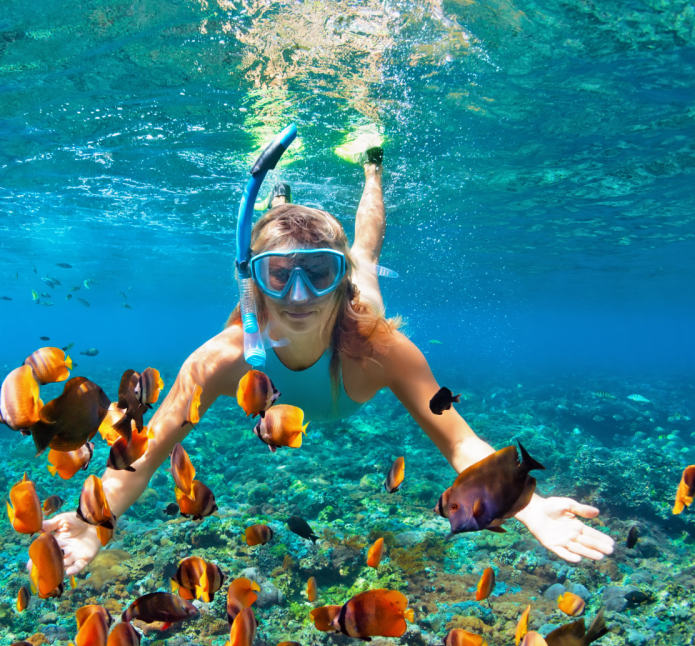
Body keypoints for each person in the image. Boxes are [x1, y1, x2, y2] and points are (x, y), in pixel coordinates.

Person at [41, 146, 614, 575]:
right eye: (278, 276)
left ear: (340, 286)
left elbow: (460, 442)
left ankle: (370, 166)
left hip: (357, 315)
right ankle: (280, 206)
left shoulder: (381, 350)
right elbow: (148, 448)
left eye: (319, 273)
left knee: (364, 252)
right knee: (286, 237)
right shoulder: (222, 358)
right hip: (254, 322)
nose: (298, 296)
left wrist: (525, 502)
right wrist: (96, 521)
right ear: (255, 285)